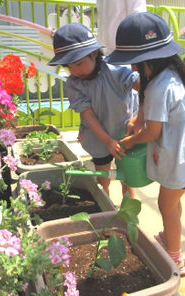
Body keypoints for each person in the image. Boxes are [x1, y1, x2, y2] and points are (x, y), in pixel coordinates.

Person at [106, 12, 185, 276]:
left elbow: (151, 134)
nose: (133, 69)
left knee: (165, 205)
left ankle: (176, 260)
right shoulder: (170, 71)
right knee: (172, 203)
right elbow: (150, 106)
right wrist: (138, 116)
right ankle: (172, 237)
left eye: (135, 63)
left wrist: (127, 141)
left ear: (150, 60)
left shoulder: (160, 86)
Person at [48, 23, 139, 198]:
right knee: (102, 175)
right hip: (97, 136)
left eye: (79, 64)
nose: (74, 71)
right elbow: (88, 115)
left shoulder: (117, 70)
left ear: (94, 53)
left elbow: (139, 85)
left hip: (125, 132)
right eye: (69, 67)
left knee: (128, 176)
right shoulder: (74, 84)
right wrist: (108, 141)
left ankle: (129, 211)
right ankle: (105, 204)